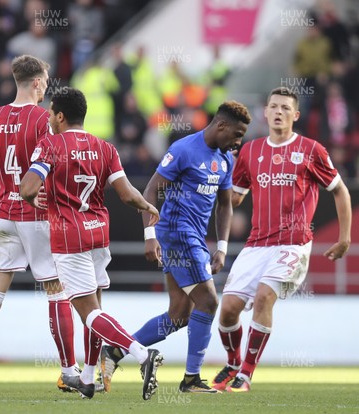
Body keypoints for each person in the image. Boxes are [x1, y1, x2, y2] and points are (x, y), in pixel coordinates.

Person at [20, 87, 163, 400]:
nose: (49, 119)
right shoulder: (105, 148)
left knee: (88, 313)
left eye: (51, 113)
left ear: (60, 116)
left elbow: (27, 187)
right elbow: (126, 194)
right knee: (96, 309)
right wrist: (147, 206)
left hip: (69, 237)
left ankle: (141, 354)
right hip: (99, 233)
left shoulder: (51, 145)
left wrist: (37, 202)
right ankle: (87, 377)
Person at [100, 101, 252, 393]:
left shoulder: (226, 159)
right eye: (237, 133)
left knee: (179, 315)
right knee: (208, 301)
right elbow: (150, 191)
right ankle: (191, 379)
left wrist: (221, 246)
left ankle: (116, 351)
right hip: (176, 233)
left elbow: (225, 205)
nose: (238, 141)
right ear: (221, 125)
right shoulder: (184, 149)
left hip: (194, 237)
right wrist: (149, 235)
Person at [0, 55, 77, 393]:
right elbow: (55, 166)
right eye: (45, 81)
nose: (46, 87)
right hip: (36, 215)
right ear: (36, 82)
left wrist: (6, 179)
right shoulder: (43, 119)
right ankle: (68, 371)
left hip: (3, 214)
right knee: (56, 292)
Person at [211, 87, 352, 392]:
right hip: (256, 243)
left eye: (285, 108)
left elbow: (340, 190)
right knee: (228, 309)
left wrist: (344, 238)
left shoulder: (312, 150)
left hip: (293, 243)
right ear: (265, 112)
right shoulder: (250, 151)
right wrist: (218, 178)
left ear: (295, 115)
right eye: (273, 106)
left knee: (264, 297)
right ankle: (234, 362)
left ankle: (245, 375)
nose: (278, 112)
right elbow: (234, 199)